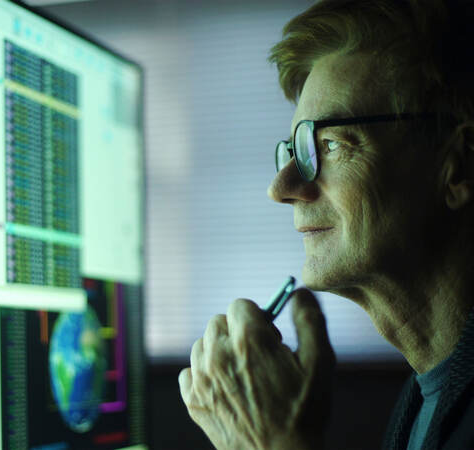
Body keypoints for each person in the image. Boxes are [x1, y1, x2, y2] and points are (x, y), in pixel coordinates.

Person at [178, 0, 474, 449]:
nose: (281, 187)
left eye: (330, 145)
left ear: (457, 167)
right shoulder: (420, 396)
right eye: (293, 151)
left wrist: (276, 441)